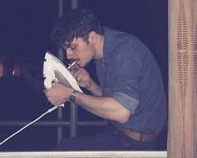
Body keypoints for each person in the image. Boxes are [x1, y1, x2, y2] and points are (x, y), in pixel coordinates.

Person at [44, 8, 167, 151]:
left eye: (73, 47)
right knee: (66, 146)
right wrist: (90, 85)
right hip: (119, 134)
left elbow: (121, 112)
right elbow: (115, 100)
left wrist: (71, 95)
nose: (69, 55)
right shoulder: (102, 53)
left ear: (92, 37)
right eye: (66, 50)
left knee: (66, 149)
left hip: (136, 145)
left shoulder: (124, 52)